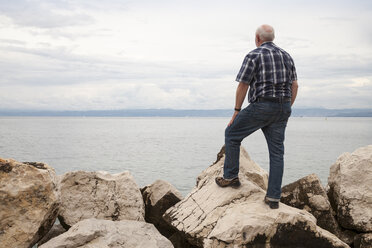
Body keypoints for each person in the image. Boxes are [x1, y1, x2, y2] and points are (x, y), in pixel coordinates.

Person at [215, 24, 298, 209]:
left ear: (257, 38)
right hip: (283, 106)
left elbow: (243, 85)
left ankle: (230, 177)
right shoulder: (287, 56)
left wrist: (237, 111)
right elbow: (295, 86)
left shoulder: (254, 55)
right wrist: (284, 108)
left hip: (262, 104)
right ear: (272, 38)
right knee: (277, 153)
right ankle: (274, 197)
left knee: (232, 134)